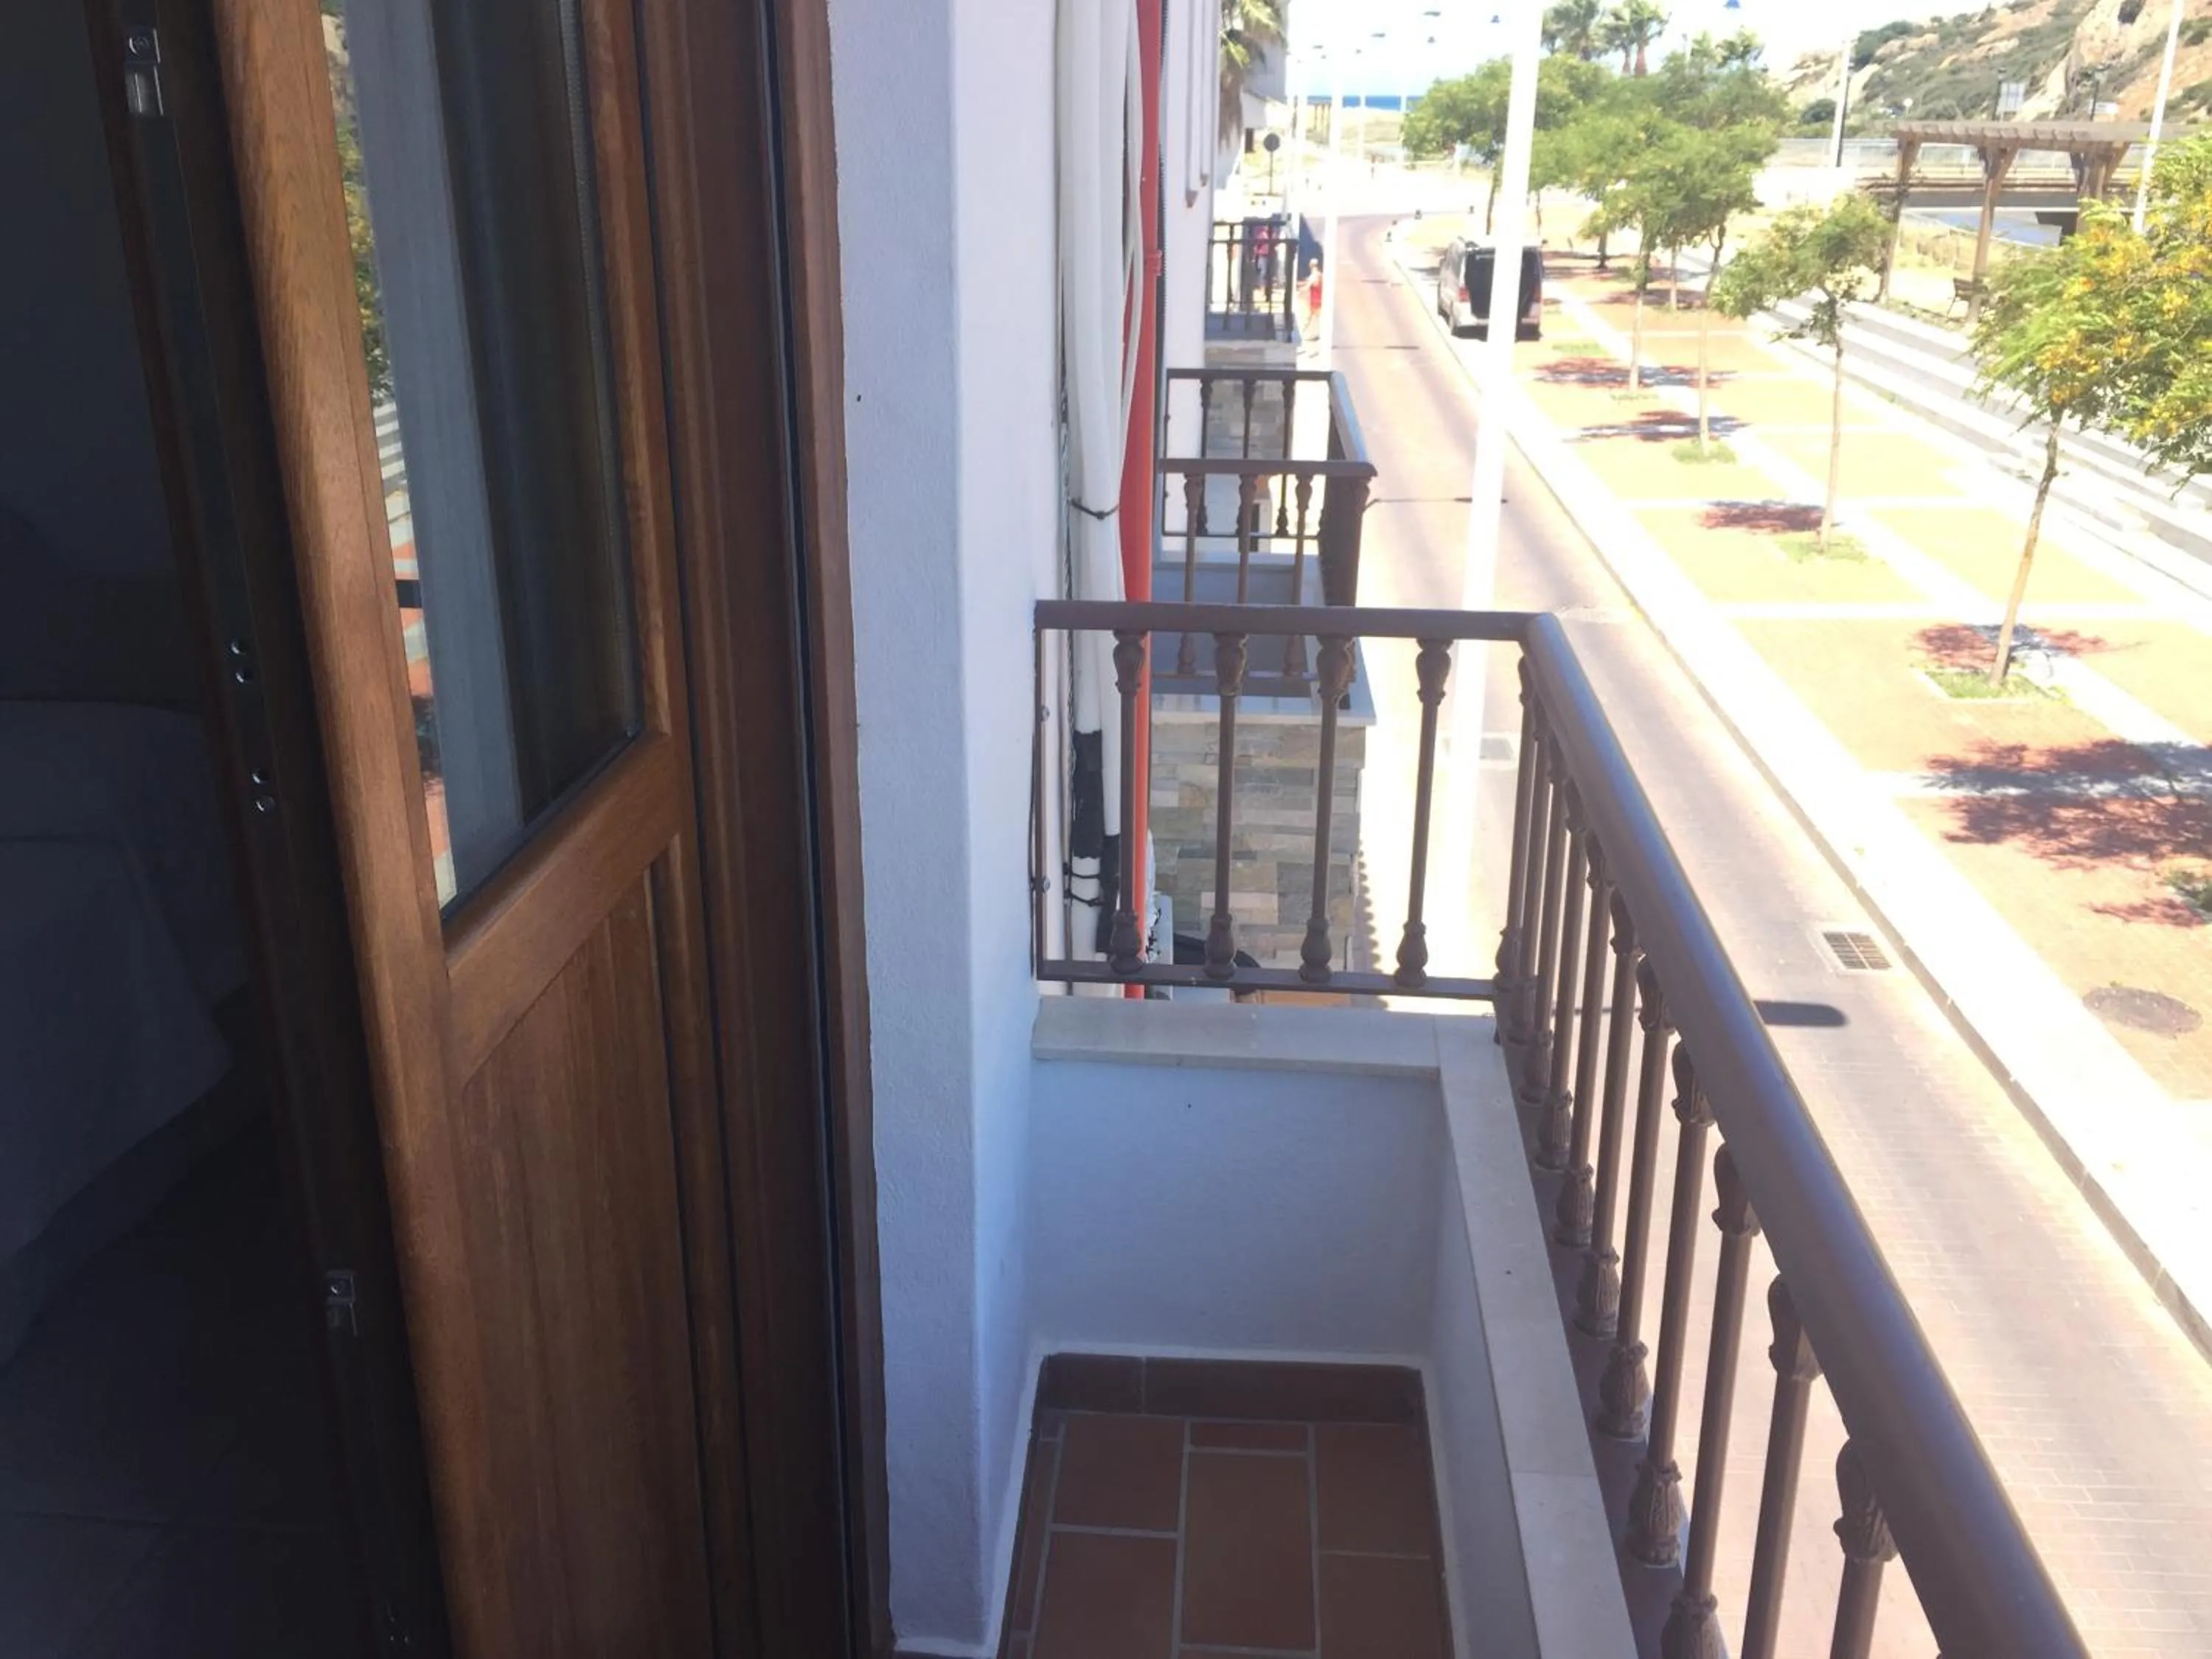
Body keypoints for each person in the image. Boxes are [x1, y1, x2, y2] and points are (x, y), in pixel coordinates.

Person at [1305, 257, 1324, 338]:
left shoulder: (1313, 276)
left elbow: (1307, 287)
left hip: (1314, 301)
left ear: (1311, 265)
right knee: (1315, 318)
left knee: (1310, 318)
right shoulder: (1320, 275)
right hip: (1320, 300)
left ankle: (1308, 334)